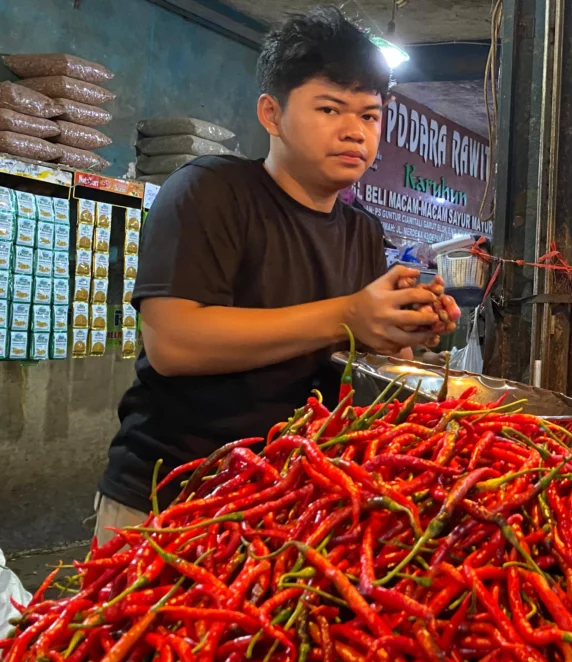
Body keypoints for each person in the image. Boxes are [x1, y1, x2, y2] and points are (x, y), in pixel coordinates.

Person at [96, 8, 452, 543]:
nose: (355, 131)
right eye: (330, 108)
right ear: (271, 113)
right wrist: (347, 314)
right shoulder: (209, 192)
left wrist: (406, 331)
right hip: (174, 501)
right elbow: (173, 342)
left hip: (293, 504)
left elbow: (358, 361)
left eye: (370, 116)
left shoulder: (361, 232)